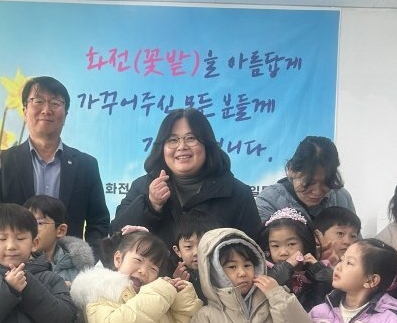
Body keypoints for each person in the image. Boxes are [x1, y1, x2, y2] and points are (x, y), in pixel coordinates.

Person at [0, 75, 110, 248]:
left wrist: (88, 257)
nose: (46, 110)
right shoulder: (2, 161)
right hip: (13, 259)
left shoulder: (86, 165)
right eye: (38, 101)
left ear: (66, 114)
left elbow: (99, 221)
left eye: (55, 103)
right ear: (25, 112)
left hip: (68, 261)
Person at [112, 108, 262, 249]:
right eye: (172, 140)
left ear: (207, 144)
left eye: (191, 138)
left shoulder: (238, 193)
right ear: (162, 147)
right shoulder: (142, 186)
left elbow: (252, 252)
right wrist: (151, 206)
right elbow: (115, 238)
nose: (182, 146)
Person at [181, 228, 310, 323]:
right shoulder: (205, 318)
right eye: (232, 267)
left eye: (247, 265)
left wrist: (277, 295)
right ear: (214, 272)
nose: (242, 273)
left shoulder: (274, 303)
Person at [71, 230, 201, 323]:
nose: (143, 271)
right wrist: (159, 291)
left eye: (153, 269)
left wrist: (181, 300)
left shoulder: (158, 298)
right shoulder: (100, 291)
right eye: (138, 260)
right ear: (118, 259)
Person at [25, 195, 95, 323]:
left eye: (39, 223)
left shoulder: (81, 268)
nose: (30, 229)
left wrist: (76, 292)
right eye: (26, 222)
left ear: (60, 230)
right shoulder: (16, 267)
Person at [255, 136, 355, 224]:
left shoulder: (341, 198)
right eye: (310, 182)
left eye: (326, 182)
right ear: (291, 170)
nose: (317, 192)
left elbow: (355, 237)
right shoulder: (269, 201)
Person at [261, 208, 331, 312]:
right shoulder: (264, 271)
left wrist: (321, 274)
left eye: (291, 244)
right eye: (275, 246)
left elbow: (326, 302)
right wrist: (283, 271)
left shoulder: (321, 268)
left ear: (305, 244)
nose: (283, 252)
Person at [171, 210, 218, 303]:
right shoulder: (172, 275)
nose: (196, 252)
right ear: (178, 251)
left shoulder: (223, 270)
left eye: (203, 244)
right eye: (188, 246)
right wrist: (177, 287)